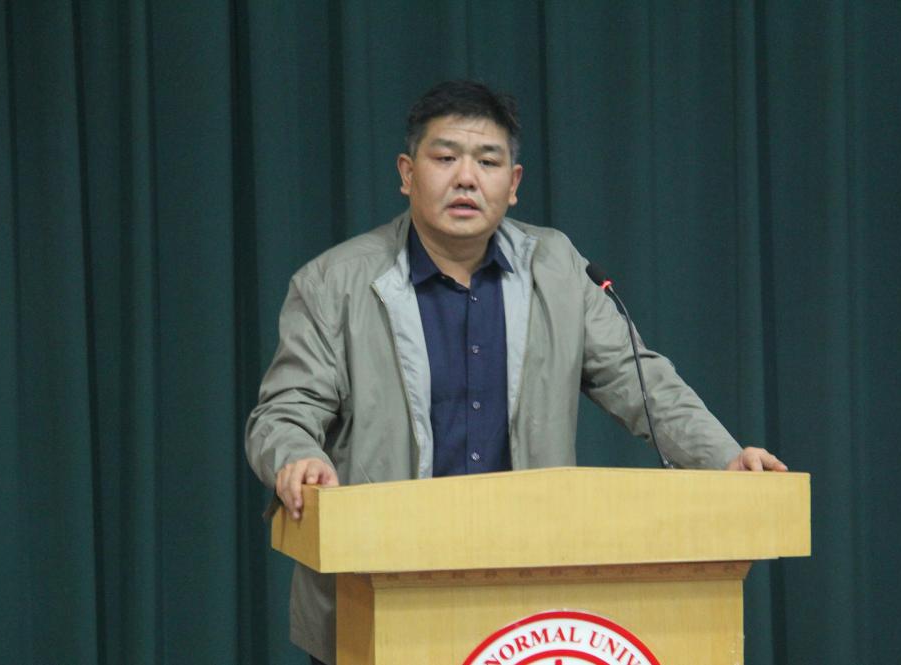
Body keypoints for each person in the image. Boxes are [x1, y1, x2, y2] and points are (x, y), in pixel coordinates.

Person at [245, 80, 787, 665]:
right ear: (406, 173)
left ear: (514, 183)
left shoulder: (558, 268)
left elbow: (642, 382)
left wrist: (725, 458)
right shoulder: (333, 283)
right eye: (445, 158)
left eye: (487, 161)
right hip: (379, 592)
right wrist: (298, 457)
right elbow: (283, 412)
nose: (466, 178)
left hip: (525, 591)